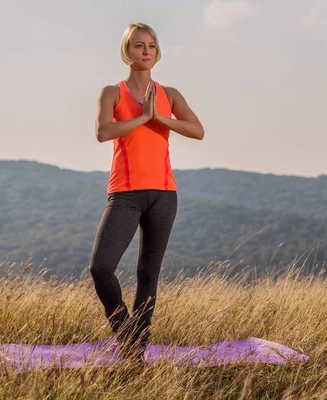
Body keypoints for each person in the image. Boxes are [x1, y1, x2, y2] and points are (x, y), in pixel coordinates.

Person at [89, 22, 204, 364]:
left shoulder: (170, 93)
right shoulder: (112, 92)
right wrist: (142, 118)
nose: (147, 50)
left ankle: (136, 353)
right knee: (100, 268)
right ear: (127, 51)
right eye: (139, 45)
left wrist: (160, 117)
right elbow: (102, 132)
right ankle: (126, 334)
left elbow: (197, 130)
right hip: (125, 193)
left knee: (148, 274)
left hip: (164, 194)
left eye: (152, 45)